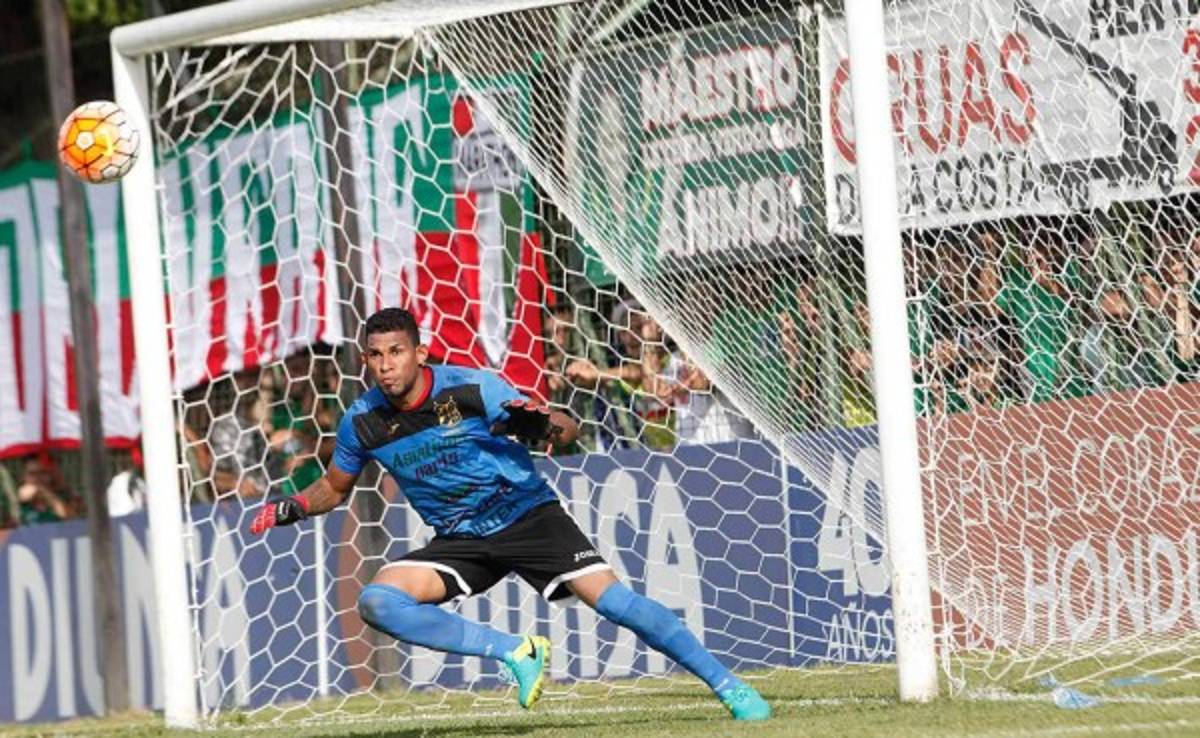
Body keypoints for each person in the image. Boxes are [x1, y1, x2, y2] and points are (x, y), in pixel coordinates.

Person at [248, 308, 770, 721]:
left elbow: (565, 429)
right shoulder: (363, 422)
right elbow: (334, 488)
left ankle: (729, 685)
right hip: (460, 539)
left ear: (420, 352)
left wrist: (541, 426)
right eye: (376, 356)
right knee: (378, 601)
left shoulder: (471, 389)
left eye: (396, 352)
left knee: (618, 604)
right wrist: (289, 507)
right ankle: (516, 652)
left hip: (525, 514)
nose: (386, 366)